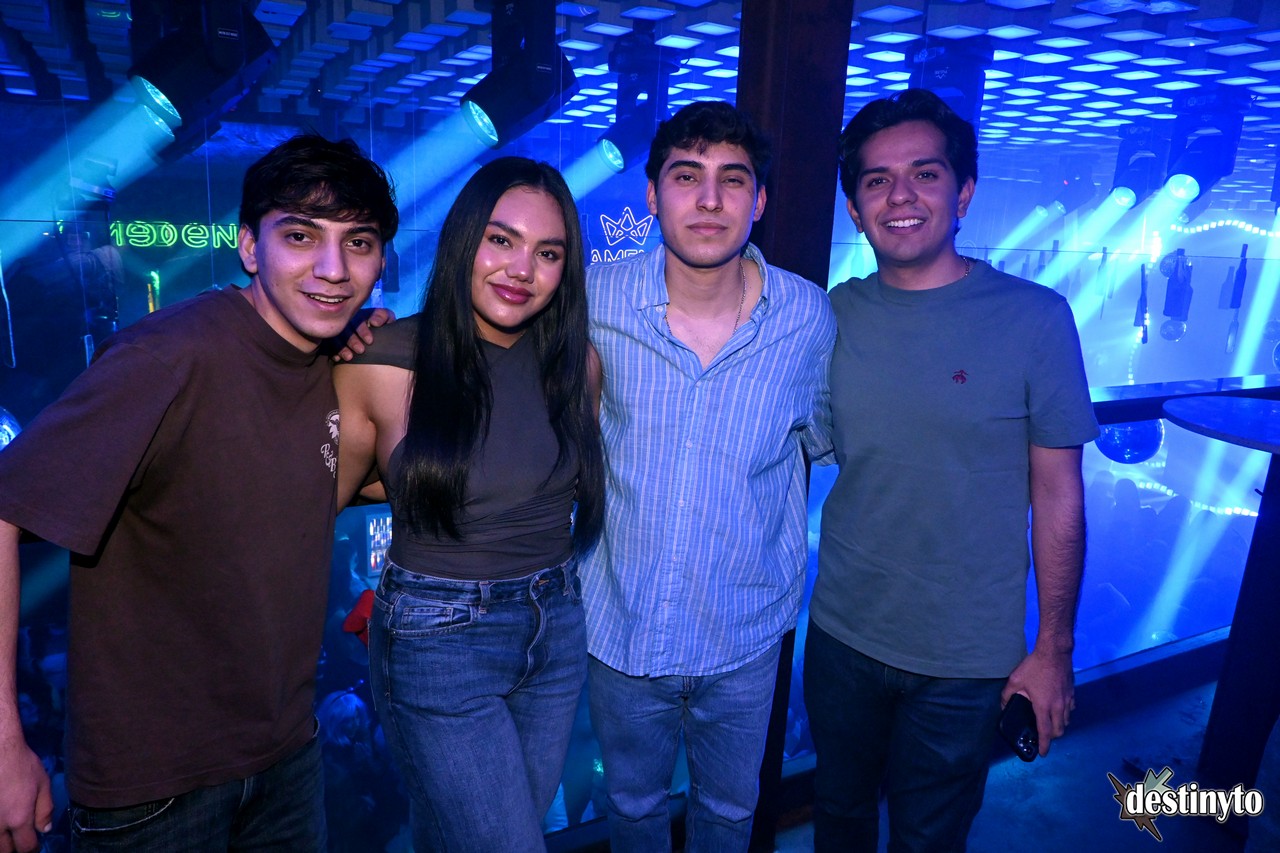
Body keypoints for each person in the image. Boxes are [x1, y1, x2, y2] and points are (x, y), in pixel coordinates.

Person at [0, 134, 397, 853]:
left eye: (358, 242)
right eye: (301, 236)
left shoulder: (332, 363)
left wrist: (377, 364)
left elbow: (347, 484)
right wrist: (4, 742)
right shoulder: (168, 357)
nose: (334, 268)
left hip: (288, 761)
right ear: (249, 246)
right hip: (157, 791)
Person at [804, 88, 1100, 852]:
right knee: (836, 819)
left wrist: (1053, 650)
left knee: (929, 839)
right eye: (877, 180)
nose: (900, 195)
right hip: (841, 634)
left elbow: (1059, 495)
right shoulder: (829, 316)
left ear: (964, 192)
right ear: (854, 208)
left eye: (925, 174)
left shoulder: (1037, 318)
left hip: (966, 661)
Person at [583, 101, 834, 852]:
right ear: (652, 195)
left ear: (759, 201)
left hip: (745, 634)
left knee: (730, 813)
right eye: (686, 176)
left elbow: (819, 437)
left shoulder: (806, 318)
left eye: (734, 179)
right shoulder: (596, 300)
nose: (710, 199)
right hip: (622, 625)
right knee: (632, 808)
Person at [333, 156, 604, 853]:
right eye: (501, 239)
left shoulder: (578, 365)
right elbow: (318, 495)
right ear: (463, 240)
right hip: (439, 637)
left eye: (548, 253)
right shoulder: (381, 360)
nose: (522, 269)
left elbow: (526, 475)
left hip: (555, 627)